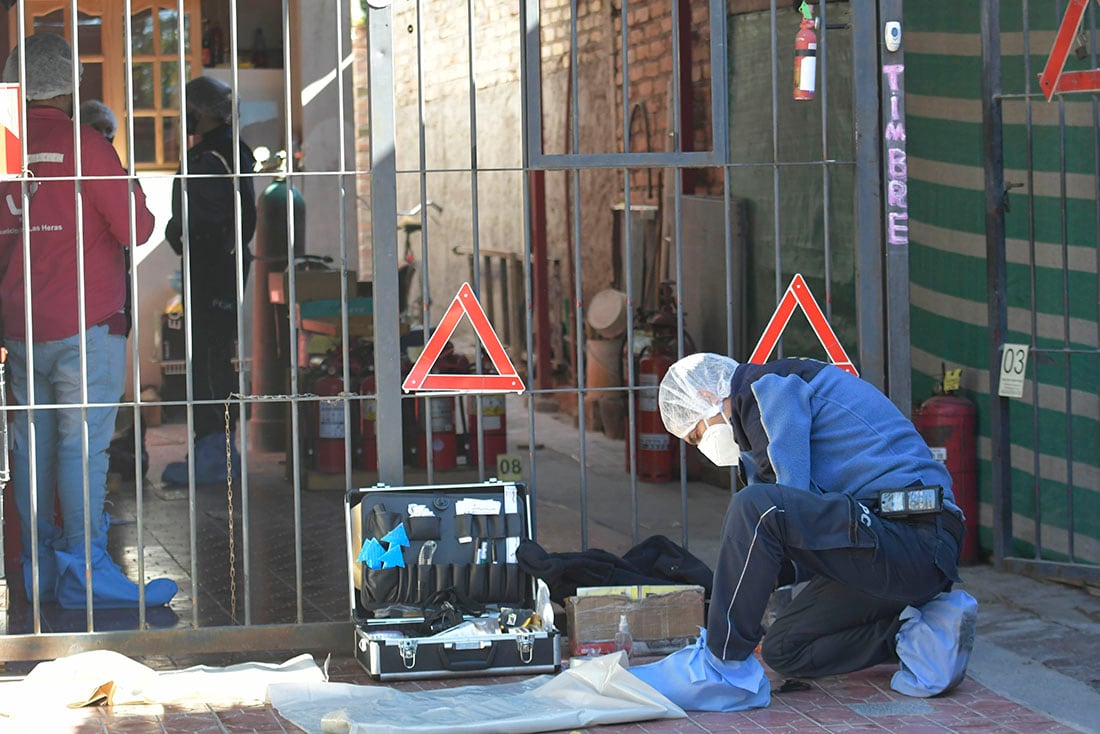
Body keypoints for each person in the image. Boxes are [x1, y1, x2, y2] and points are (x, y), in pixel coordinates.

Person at [629, 353, 977, 710]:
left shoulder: (766, 388)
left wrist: (735, 611)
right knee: (786, 649)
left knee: (754, 506)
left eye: (697, 435)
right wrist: (747, 581)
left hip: (918, 533)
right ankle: (922, 632)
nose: (703, 447)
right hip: (885, 546)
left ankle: (723, 668)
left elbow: (784, 505)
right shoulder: (761, 424)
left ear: (706, 397)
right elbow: (807, 533)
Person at [0, 33, 177, 608]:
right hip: (86, 322)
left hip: (20, 323)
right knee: (82, 448)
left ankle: (34, 571)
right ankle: (86, 572)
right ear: (72, 84)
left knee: (31, 448)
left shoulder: (6, 147)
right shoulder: (84, 144)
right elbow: (138, 229)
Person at [161, 75, 256, 486]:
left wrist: (176, 232)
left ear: (201, 112)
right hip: (223, 268)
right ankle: (215, 448)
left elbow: (199, 222)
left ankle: (215, 455)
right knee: (214, 358)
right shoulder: (231, 151)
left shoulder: (210, 158)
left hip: (213, 269)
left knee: (208, 362)